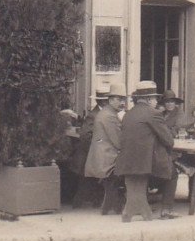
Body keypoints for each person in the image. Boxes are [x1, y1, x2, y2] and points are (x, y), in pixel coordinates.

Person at [114, 81, 178, 222]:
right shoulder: (153, 114)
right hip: (144, 164)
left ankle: (138, 208)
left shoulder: (128, 114)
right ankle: (167, 210)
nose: (156, 101)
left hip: (127, 162)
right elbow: (169, 141)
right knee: (173, 173)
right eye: (155, 98)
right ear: (149, 99)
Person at [84, 82, 127, 215]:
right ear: (111, 100)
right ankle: (131, 203)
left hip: (102, 156)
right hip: (107, 159)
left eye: (123, 99)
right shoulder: (109, 116)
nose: (122, 103)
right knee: (133, 166)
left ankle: (111, 204)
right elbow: (118, 141)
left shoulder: (106, 113)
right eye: (119, 100)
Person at [71, 85, 111, 208]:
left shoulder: (102, 113)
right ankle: (80, 203)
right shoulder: (94, 115)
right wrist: (98, 146)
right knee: (87, 180)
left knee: (91, 180)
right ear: (104, 101)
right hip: (89, 153)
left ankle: (95, 201)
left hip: (93, 153)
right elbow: (85, 135)